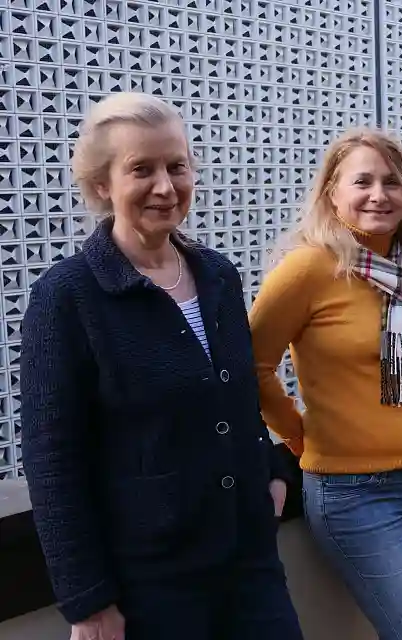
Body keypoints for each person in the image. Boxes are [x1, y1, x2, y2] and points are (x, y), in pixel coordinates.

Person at [20, 92, 303, 640]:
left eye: (177, 166)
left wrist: (268, 469)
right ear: (103, 184)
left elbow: (236, 393)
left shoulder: (218, 276)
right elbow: (52, 460)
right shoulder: (68, 297)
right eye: (141, 169)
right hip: (149, 582)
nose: (165, 187)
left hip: (249, 562)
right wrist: (87, 601)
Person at [249, 129, 402, 640]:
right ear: (332, 193)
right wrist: (298, 434)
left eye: (393, 182)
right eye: (362, 181)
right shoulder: (307, 269)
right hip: (355, 493)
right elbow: (251, 366)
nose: (379, 195)